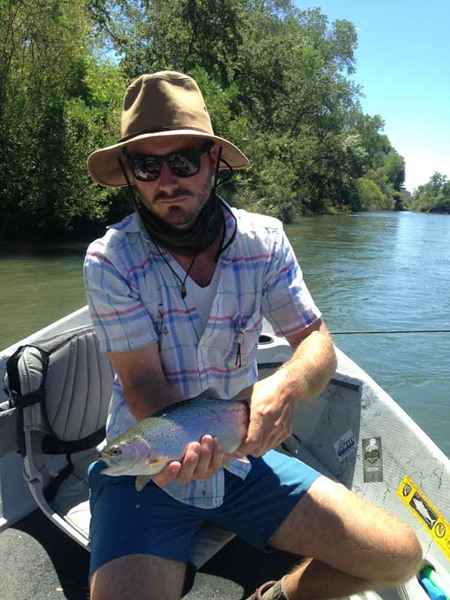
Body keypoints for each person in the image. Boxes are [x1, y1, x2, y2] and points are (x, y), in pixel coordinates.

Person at [84, 71, 422, 600]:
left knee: (401, 557)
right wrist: (185, 450)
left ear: (213, 162)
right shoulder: (110, 262)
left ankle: (275, 596)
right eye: (147, 165)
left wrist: (286, 386)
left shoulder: (264, 242)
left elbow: (316, 343)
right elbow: (143, 385)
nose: (166, 181)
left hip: (242, 460)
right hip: (145, 469)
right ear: (129, 172)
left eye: (184, 162)